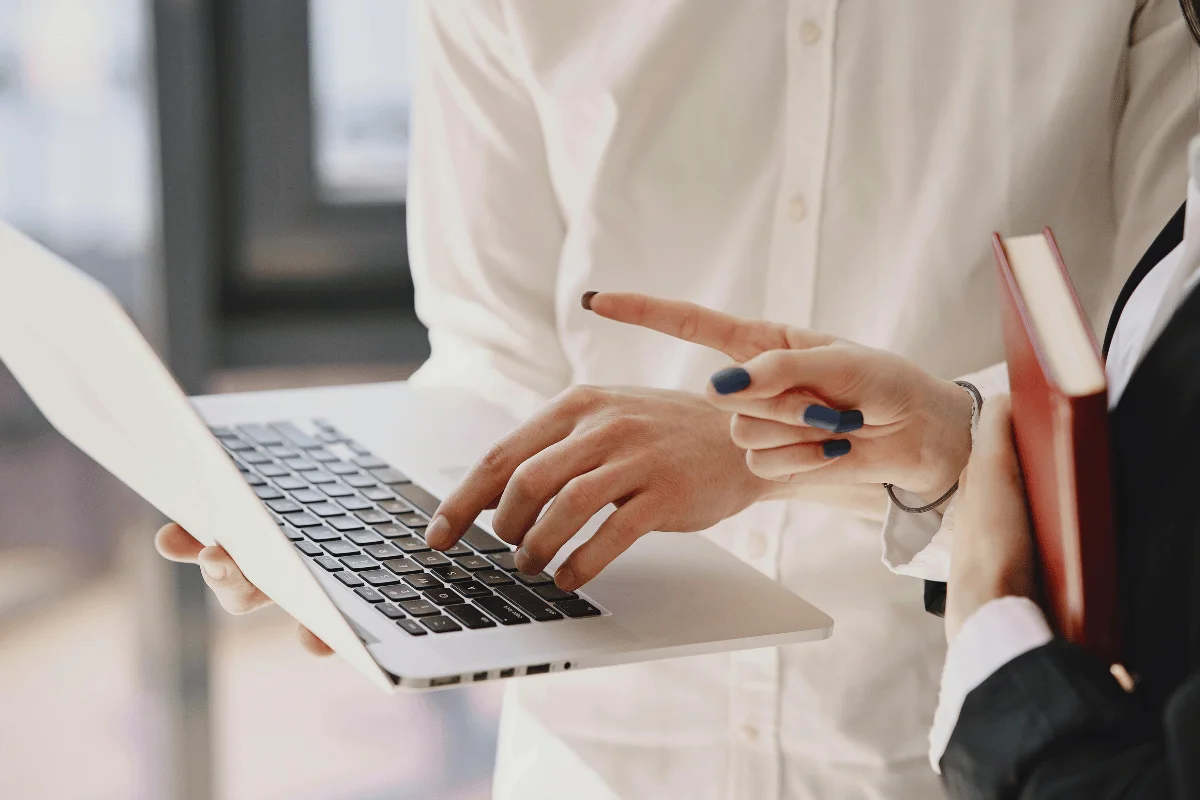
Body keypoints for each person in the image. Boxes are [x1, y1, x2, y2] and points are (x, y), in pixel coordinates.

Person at [156, 3, 1199, 798]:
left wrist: (778, 445)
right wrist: (364, 529)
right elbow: (492, 343)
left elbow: (1163, 397)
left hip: (934, 743)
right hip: (591, 754)